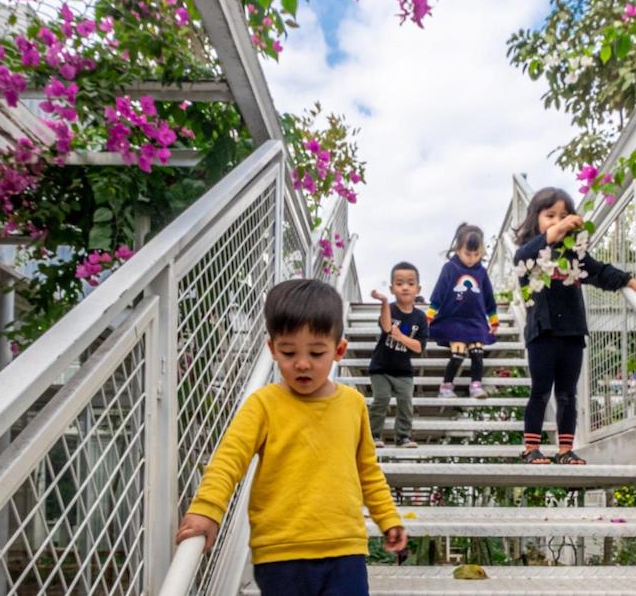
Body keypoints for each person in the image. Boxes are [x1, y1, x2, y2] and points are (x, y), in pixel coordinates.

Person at [175, 279, 407, 596]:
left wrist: (387, 517)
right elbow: (228, 460)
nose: (301, 363)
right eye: (288, 351)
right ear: (272, 349)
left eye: (316, 352)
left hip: (345, 549)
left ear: (339, 350)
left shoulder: (353, 405)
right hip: (280, 553)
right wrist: (206, 509)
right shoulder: (263, 405)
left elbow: (367, 471)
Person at [514, 188, 636, 465]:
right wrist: (558, 229)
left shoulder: (575, 254)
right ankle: (531, 447)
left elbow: (598, 271)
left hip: (573, 331)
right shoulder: (530, 254)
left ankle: (565, 449)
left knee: (567, 393)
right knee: (541, 390)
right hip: (542, 331)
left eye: (564, 215)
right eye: (549, 215)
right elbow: (522, 259)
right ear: (535, 219)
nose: (557, 221)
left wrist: (627, 281)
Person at [426, 223, 500, 399]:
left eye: (477, 254)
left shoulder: (481, 272)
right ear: (458, 249)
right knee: (458, 352)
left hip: (476, 320)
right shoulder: (450, 268)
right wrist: (430, 314)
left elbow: (489, 297)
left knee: (477, 351)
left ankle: (476, 385)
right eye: (468, 254)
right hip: (454, 319)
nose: (472, 259)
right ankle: (446, 386)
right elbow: (439, 292)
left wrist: (494, 319)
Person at [369, 261, 428, 449]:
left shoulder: (420, 317)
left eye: (410, 283)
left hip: (403, 370)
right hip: (381, 367)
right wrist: (385, 302)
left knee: (405, 402)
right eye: (400, 283)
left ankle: (403, 436)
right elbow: (387, 327)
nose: (405, 287)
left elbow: (419, 347)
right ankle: (372, 435)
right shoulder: (391, 309)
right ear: (392, 288)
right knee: (381, 399)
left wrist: (401, 337)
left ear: (417, 289)